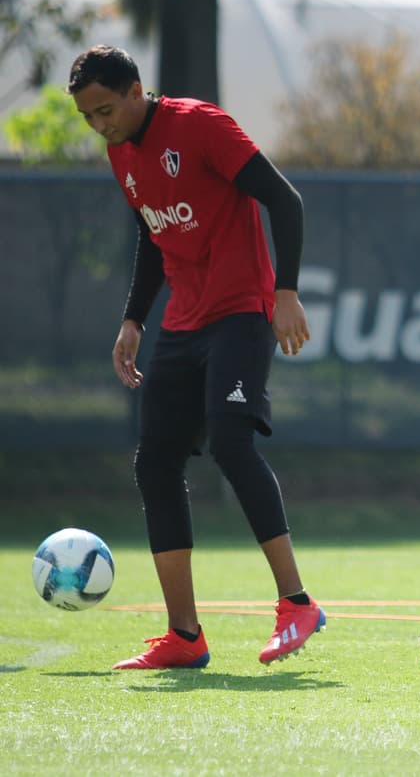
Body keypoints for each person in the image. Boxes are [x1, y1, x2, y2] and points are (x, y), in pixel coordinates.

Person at [68, 45, 325, 668]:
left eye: (106, 109)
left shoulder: (200, 125)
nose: (101, 125)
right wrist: (133, 319)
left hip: (241, 308)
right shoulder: (120, 153)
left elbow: (284, 200)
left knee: (233, 444)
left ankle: (297, 604)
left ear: (135, 91)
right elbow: (155, 239)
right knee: (154, 463)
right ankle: (184, 636)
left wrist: (285, 293)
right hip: (183, 320)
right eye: (89, 118)